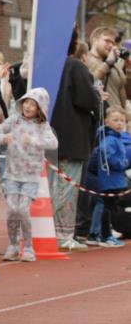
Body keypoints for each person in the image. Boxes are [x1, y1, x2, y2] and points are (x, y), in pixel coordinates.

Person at [0, 88, 58, 262]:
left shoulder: (43, 126)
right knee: (12, 210)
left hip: (30, 176)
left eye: (33, 104)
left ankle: (27, 247)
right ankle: (12, 245)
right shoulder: (14, 120)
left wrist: (34, 141)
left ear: (39, 108)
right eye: (26, 102)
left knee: (23, 210)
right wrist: (3, 138)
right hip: (11, 174)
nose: (28, 106)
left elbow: (53, 143)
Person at [50, 27, 101, 252]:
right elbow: (87, 99)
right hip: (71, 136)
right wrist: (97, 97)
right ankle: (61, 235)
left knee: (52, 185)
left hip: (48, 134)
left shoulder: (46, 65)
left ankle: (48, 231)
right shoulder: (75, 66)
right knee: (66, 187)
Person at [85, 109, 129, 248]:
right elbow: (105, 154)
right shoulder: (109, 139)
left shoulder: (117, 137)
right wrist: (122, 164)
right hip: (109, 179)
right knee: (106, 206)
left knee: (106, 205)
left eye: (121, 120)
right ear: (107, 121)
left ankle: (97, 233)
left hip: (114, 179)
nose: (119, 123)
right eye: (115, 120)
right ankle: (105, 235)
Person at [87, 26, 127, 116]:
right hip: (101, 121)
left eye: (112, 43)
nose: (111, 45)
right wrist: (108, 64)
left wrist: (128, 67)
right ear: (95, 40)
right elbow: (90, 83)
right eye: (107, 41)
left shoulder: (114, 63)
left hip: (119, 120)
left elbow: (125, 91)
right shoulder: (86, 59)